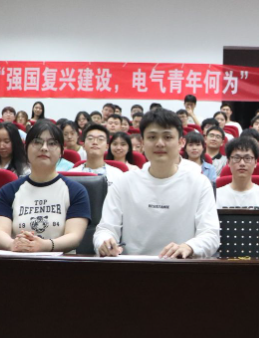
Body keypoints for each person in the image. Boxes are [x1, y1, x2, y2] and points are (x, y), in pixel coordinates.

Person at [94, 109, 220, 258]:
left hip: (181, 266)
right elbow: (105, 229)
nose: (160, 143)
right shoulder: (124, 182)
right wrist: (105, 242)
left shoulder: (199, 183)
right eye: (152, 137)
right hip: (133, 266)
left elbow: (211, 235)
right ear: (142, 143)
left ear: (181, 142)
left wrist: (189, 247)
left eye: (167, 137)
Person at [0, 121, 91, 253]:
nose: (44, 148)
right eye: (37, 142)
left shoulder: (76, 191)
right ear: (26, 148)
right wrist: (13, 244)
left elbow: (74, 236)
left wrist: (44, 245)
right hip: (18, 258)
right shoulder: (8, 191)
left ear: (61, 151)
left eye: (52, 143)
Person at [217, 137, 259, 210]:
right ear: (228, 162)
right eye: (236, 158)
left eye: (247, 158)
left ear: (255, 162)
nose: (242, 163)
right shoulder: (215, 196)